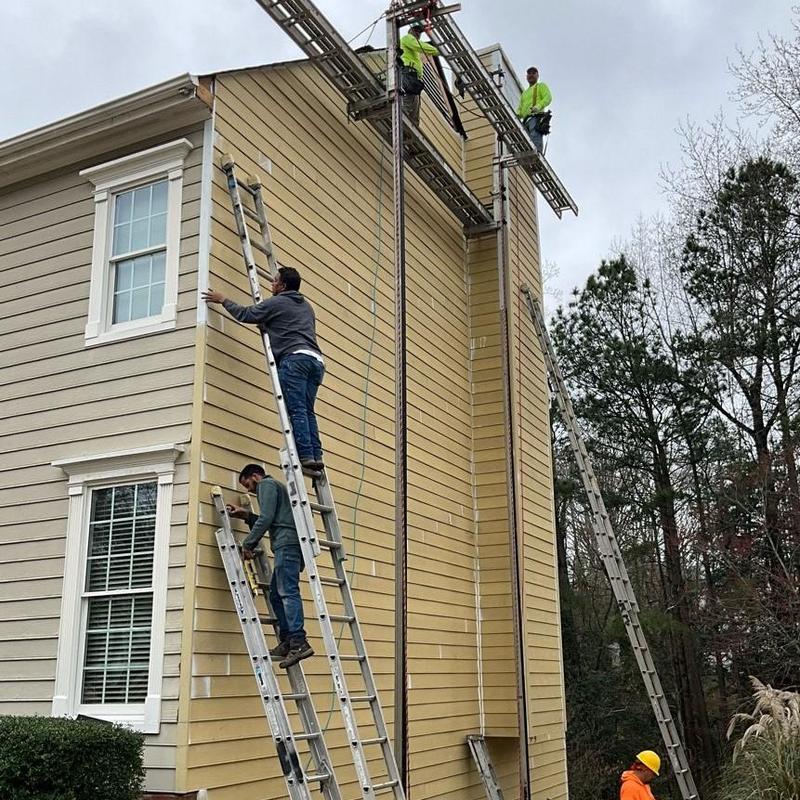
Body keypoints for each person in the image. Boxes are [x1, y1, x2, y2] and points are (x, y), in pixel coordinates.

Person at [202, 266, 325, 470]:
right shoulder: (306, 307)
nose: (272, 284)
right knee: (307, 410)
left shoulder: (278, 302)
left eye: (275, 281)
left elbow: (246, 314)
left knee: (297, 410)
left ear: (283, 285)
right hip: (315, 361)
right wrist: (269, 325)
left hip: (294, 360)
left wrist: (223, 299)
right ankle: (315, 454)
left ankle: (305, 455)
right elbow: (291, 326)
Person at [228, 463, 313, 668]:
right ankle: (287, 639)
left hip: (287, 544)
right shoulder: (275, 488)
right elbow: (274, 519)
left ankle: (298, 641)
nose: (250, 490)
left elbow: (267, 518)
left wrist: (248, 543)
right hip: (288, 543)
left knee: (287, 591)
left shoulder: (266, 485)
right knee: (276, 593)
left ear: (255, 476)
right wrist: (246, 515)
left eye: (248, 484)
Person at [399, 20, 439, 125]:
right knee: (408, 109)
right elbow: (421, 46)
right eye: (416, 31)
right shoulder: (407, 38)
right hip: (408, 75)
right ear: (410, 31)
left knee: (414, 112)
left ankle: (411, 133)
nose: (418, 34)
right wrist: (438, 50)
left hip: (413, 78)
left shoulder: (414, 50)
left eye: (419, 32)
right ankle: (404, 128)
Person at [516, 66, 552, 154]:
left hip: (535, 118)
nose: (531, 75)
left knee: (535, 136)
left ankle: (537, 154)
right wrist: (516, 116)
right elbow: (520, 109)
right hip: (525, 121)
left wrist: (538, 106)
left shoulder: (540, 86)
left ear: (537, 75)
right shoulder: (525, 93)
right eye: (529, 73)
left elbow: (548, 97)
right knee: (526, 141)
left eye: (533, 73)